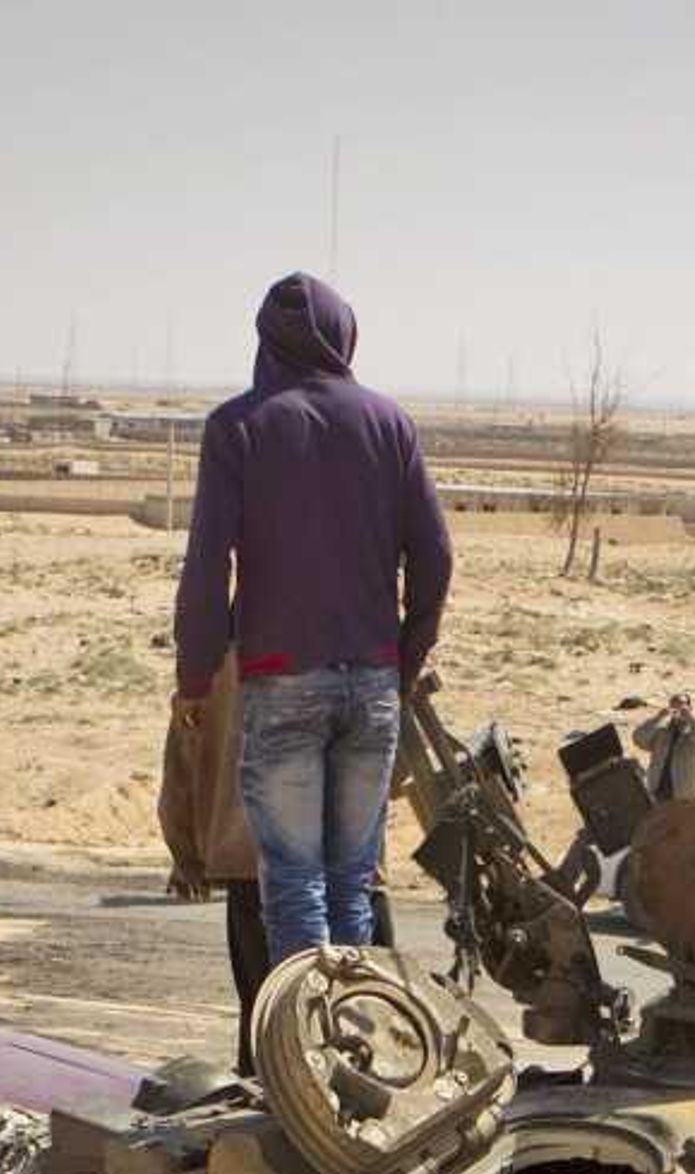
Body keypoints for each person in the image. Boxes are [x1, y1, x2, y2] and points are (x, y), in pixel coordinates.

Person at [172, 272, 455, 965]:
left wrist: (195, 681)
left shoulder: (236, 427)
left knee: (294, 885)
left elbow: (208, 569)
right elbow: (437, 557)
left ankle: (306, 1053)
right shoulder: (389, 424)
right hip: (373, 686)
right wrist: (402, 662)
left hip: (281, 681)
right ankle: (350, 1048)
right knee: (352, 884)